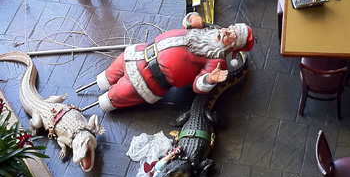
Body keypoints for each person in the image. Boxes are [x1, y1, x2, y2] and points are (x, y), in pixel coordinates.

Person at [92, 13, 254, 112]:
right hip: (139, 53)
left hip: (147, 80)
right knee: (111, 72)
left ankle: (100, 103)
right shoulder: (209, 30)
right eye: (230, 28)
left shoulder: (216, 61)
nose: (225, 31)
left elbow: (198, 86)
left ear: (233, 46)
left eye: (231, 35)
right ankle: (101, 82)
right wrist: (193, 18)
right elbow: (186, 22)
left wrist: (210, 79)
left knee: (117, 95)